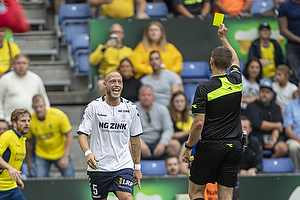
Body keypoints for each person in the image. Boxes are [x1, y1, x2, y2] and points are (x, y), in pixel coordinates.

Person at [183, 24, 243, 200]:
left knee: (195, 192)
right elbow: (236, 61)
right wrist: (224, 39)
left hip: (211, 146)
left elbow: (198, 123)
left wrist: (188, 147)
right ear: (229, 64)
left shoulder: (203, 89)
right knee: (226, 196)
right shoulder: (236, 81)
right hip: (234, 147)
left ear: (211, 61)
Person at [77, 71, 143, 200]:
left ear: (122, 85)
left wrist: (137, 168)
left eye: (119, 82)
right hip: (99, 167)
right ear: (105, 85)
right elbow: (82, 134)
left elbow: (135, 139)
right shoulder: (94, 107)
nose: (116, 84)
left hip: (123, 165)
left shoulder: (131, 108)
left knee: (128, 198)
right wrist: (88, 153)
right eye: (113, 81)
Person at [26, 94, 75, 178]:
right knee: (41, 182)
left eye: (40, 106)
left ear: (45, 105)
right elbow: (29, 142)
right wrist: (29, 161)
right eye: (36, 107)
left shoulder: (58, 115)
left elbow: (69, 136)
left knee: (70, 178)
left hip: (60, 153)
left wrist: (65, 156)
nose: (38, 109)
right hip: (41, 154)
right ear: (32, 107)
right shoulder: (30, 120)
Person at [0, 53, 50, 125]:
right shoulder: (5, 80)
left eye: (24, 63)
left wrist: (46, 116)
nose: (21, 65)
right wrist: (1, 119)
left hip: (33, 123)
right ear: (13, 65)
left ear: (28, 65)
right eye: (18, 63)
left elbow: (44, 98)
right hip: (11, 123)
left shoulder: (36, 79)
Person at [244, 79, 288, 158]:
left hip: (272, 137)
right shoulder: (251, 106)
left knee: (283, 148)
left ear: (272, 94)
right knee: (256, 148)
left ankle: (271, 163)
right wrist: (276, 125)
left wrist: (274, 139)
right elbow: (258, 124)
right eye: (262, 91)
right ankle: (259, 167)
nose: (264, 94)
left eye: (267, 92)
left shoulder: (276, 107)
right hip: (256, 137)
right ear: (259, 92)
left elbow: (278, 128)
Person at [135, 85, 181, 159]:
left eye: (149, 95)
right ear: (139, 96)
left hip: (158, 141)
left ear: (153, 97)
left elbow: (169, 129)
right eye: (143, 95)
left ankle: (170, 167)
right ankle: (133, 169)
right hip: (140, 141)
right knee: (128, 145)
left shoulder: (162, 109)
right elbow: (128, 130)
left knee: (174, 144)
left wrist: (162, 143)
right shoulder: (132, 109)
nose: (146, 97)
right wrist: (139, 142)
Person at [89, 23, 133, 96]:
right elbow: (92, 61)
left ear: (123, 35)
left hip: (123, 78)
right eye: (113, 32)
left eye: (118, 32)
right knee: (100, 83)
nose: (116, 34)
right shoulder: (103, 48)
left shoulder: (128, 51)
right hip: (107, 78)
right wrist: (105, 47)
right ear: (110, 35)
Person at [0, 108, 31, 200]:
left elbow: (13, 162)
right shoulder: (7, 136)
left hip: (12, 188)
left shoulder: (22, 139)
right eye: (23, 121)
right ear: (14, 123)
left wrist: (17, 179)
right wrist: (9, 168)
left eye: (28, 121)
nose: (27, 124)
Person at [278, 0, 300, 85]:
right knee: (294, 75)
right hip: (292, 45)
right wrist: (298, 39)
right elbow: (282, 30)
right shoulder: (285, 6)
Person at [283, 82, 300, 171]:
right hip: (295, 139)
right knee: (294, 147)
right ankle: (296, 174)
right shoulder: (291, 105)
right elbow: (288, 130)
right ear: (298, 90)